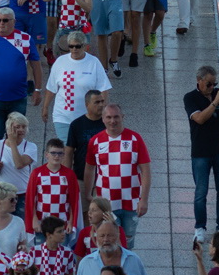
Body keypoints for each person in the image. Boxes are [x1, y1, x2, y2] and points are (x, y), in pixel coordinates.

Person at [82, 104, 150, 248]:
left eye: (116, 117)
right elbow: (89, 169)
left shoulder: (135, 138)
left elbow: (146, 171)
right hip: (107, 205)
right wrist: (88, 194)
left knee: (128, 241)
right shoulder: (95, 141)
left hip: (131, 203)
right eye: (109, 117)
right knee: (110, 242)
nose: (113, 121)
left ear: (122, 117)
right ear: (103, 119)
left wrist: (144, 199)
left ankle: (125, 268)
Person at [184, 65, 219, 242]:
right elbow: (199, 119)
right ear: (199, 81)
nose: (212, 87)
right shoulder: (190, 98)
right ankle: (200, 227)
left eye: (214, 83)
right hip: (201, 152)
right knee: (201, 192)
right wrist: (215, 102)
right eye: (208, 84)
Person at [0, 7, 43, 144]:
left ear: (14, 21)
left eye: (5, 20)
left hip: (17, 98)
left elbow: (36, 65)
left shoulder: (25, 39)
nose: (1, 23)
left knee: (16, 137)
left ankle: (13, 163)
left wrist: (38, 90)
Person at [24, 138, 81, 241]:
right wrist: (34, 219)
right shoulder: (37, 173)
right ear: (46, 154)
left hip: (62, 223)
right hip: (42, 224)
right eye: (53, 153)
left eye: (60, 153)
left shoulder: (69, 174)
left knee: (61, 254)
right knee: (41, 255)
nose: (56, 156)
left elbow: (74, 201)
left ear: (64, 155)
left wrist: (71, 222)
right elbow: (31, 199)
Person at [64, 90, 107, 190]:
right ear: (87, 104)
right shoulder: (76, 125)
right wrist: (67, 175)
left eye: (102, 101)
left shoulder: (108, 123)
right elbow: (69, 151)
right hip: (81, 177)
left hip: (104, 178)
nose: (101, 105)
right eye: (97, 102)